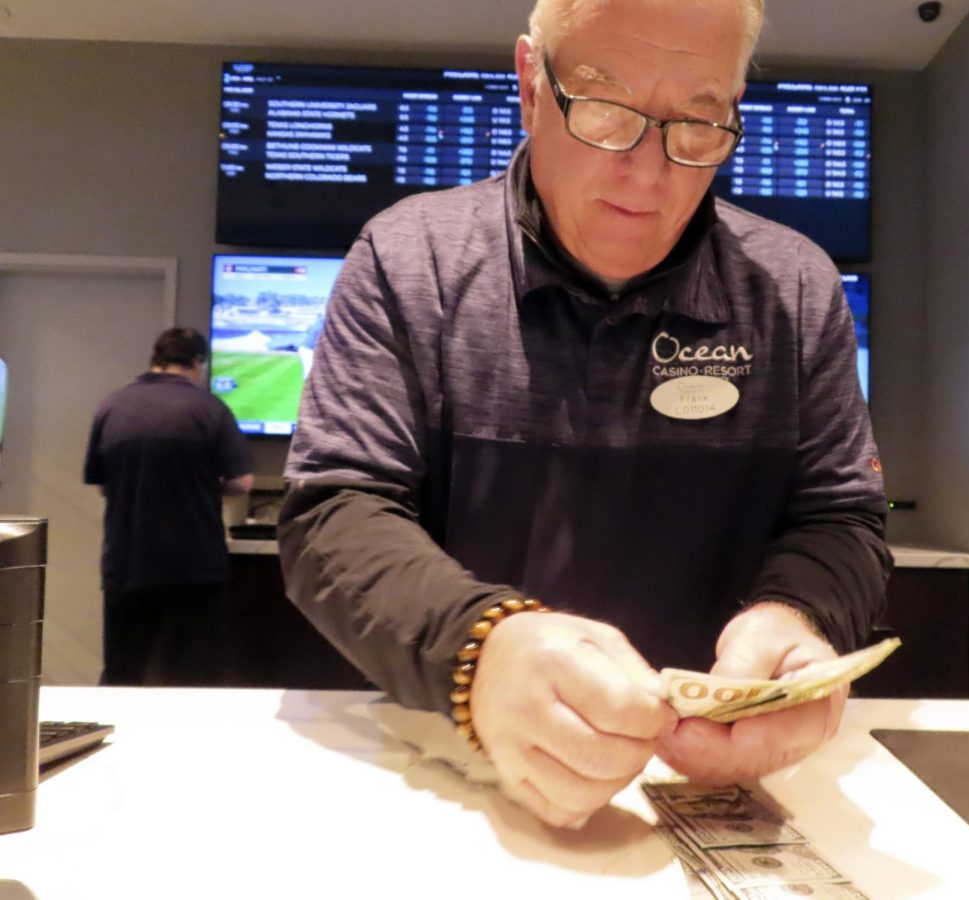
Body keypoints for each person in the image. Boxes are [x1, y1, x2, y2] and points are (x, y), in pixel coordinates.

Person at [279, 0, 891, 829]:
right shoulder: (408, 260)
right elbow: (335, 514)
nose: (650, 173)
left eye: (700, 122)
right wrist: (481, 650)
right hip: (454, 766)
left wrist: (798, 618)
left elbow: (841, 516)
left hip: (708, 788)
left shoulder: (794, 289)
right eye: (606, 109)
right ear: (532, 84)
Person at [84, 327, 253, 685]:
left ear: (155, 360)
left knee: (122, 674)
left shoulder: (112, 406)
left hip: (126, 566)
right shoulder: (210, 409)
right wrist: (204, 486)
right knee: (194, 679)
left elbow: (101, 484)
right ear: (196, 362)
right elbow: (242, 483)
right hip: (195, 568)